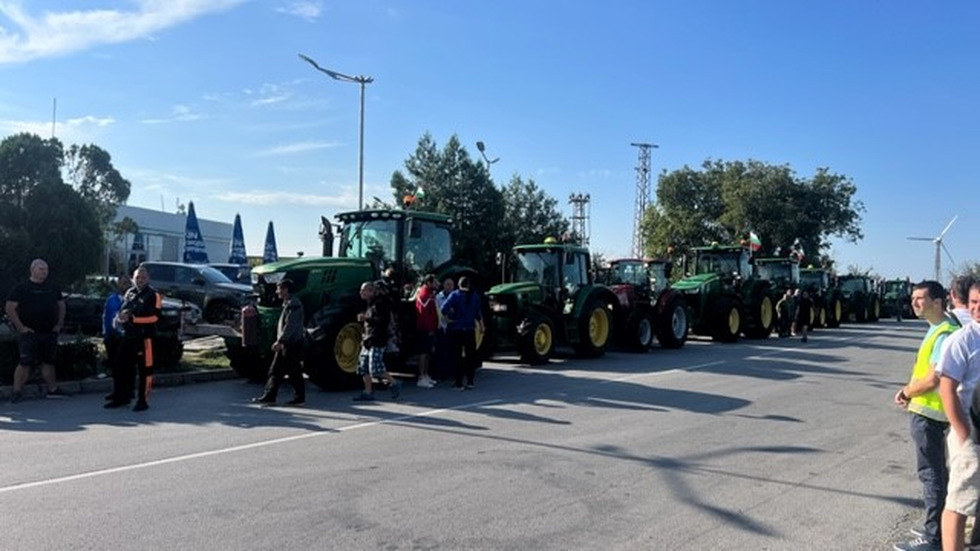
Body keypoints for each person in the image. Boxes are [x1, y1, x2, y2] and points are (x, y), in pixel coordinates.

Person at [893, 281, 961, 551]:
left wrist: (907, 391)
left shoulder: (945, 332)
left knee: (931, 475)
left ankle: (935, 538)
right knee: (934, 474)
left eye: (920, 298)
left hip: (930, 414)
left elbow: (934, 378)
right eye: (913, 298)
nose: (914, 303)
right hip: (929, 412)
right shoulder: (938, 328)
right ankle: (936, 527)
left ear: (938, 301)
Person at [936, 280, 980, 551]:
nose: (977, 308)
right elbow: (946, 389)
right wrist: (962, 433)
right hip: (972, 433)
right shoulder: (963, 340)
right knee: (960, 501)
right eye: (974, 302)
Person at [4, 258, 68, 403]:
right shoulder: (21, 288)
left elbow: (61, 305)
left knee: (48, 362)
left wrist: (59, 324)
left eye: (46, 269)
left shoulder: (53, 287)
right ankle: (17, 391)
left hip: (49, 332)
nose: (44, 272)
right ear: (32, 269)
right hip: (29, 333)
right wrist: (20, 327)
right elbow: (9, 308)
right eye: (41, 269)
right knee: (24, 362)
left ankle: (52, 389)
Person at [106, 266, 162, 412]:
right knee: (120, 365)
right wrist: (119, 318)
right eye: (137, 277)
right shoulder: (129, 293)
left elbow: (155, 317)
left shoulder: (153, 295)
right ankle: (121, 396)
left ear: (148, 279)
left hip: (145, 338)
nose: (140, 280)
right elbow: (123, 309)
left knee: (145, 370)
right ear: (133, 278)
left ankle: (143, 400)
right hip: (128, 336)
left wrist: (134, 319)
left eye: (143, 277)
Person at [252, 279, 306, 406]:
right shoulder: (288, 303)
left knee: (293, 372)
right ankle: (270, 396)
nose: (277, 292)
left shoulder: (294, 304)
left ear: (286, 289)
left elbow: (290, 325)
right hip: (287, 343)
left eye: (279, 289)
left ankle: (299, 398)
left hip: (291, 344)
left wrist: (281, 341)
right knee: (276, 370)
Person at [353, 281, 402, 402]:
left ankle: (394, 382)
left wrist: (366, 318)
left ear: (371, 291)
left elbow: (382, 321)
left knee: (375, 368)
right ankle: (368, 391)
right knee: (363, 366)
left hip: (378, 338)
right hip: (368, 339)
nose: (361, 293)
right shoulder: (369, 303)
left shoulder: (381, 303)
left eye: (364, 290)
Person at [440, 276, 484, 390]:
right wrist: (482, 326)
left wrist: (449, 319)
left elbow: (443, 309)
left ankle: (458, 382)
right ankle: (470, 382)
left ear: (459, 285)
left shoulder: (455, 295)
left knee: (457, 357)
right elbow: (478, 314)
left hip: (457, 329)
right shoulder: (475, 296)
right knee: (470, 357)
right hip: (470, 330)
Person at [102, 275, 132, 400]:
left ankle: (126, 392)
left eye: (127, 283)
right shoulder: (112, 299)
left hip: (124, 337)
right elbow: (106, 316)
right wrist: (105, 333)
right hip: (110, 336)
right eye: (122, 283)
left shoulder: (132, 300)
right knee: (115, 366)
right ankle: (117, 391)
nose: (124, 285)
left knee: (124, 366)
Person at [414, 274, 439, 388]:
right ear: (428, 283)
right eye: (434, 282)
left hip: (430, 328)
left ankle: (426, 375)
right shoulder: (424, 295)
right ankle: (421, 377)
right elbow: (425, 314)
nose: (436, 284)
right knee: (423, 353)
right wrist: (430, 329)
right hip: (425, 329)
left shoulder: (430, 294)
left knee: (428, 352)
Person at [432, 277, 456, 380]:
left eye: (451, 285)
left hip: (453, 327)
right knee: (440, 351)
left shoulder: (456, 296)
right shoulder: (438, 297)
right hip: (441, 327)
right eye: (447, 284)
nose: (449, 286)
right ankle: (441, 372)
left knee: (452, 350)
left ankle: (451, 371)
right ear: (443, 285)